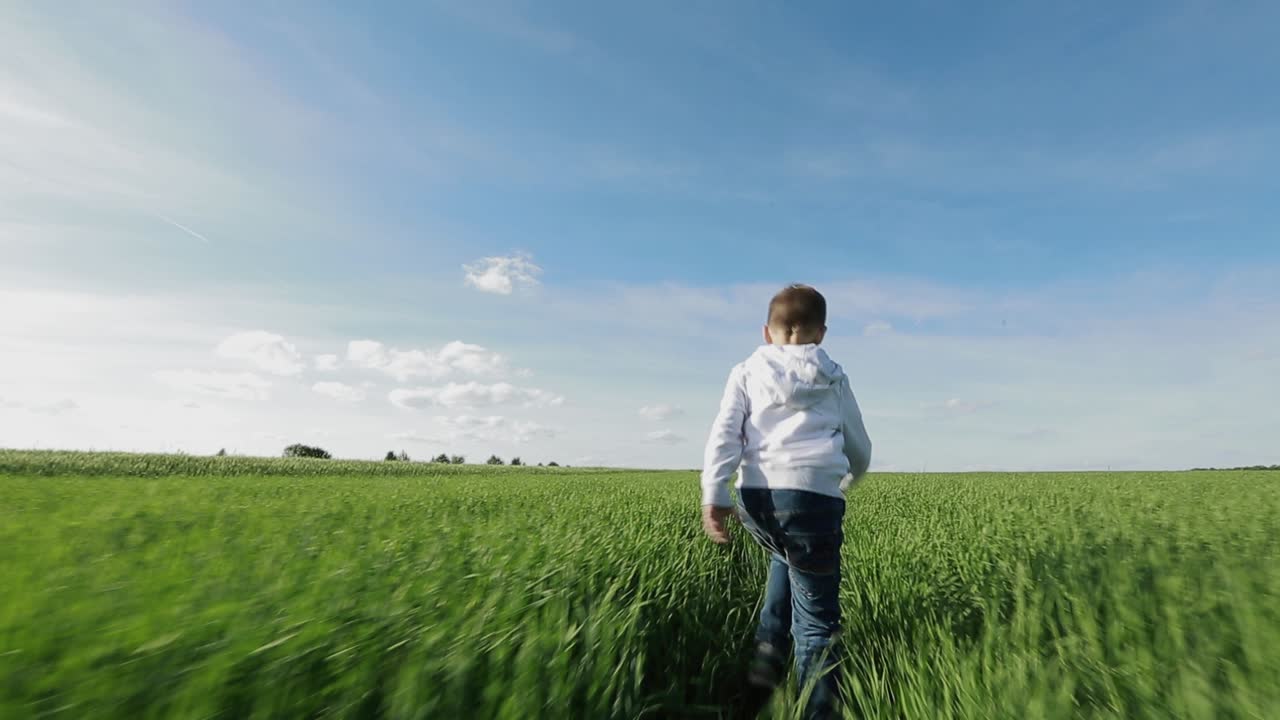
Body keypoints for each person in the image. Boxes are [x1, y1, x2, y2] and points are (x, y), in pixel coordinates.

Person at [700, 284, 872, 719]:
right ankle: (817, 712)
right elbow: (860, 447)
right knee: (816, 624)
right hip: (812, 502)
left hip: (757, 499)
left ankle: (758, 691)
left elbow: (725, 433)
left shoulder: (745, 371)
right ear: (822, 333)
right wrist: (847, 479)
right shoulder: (833, 377)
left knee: (784, 558)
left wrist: (714, 493)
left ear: (767, 331)